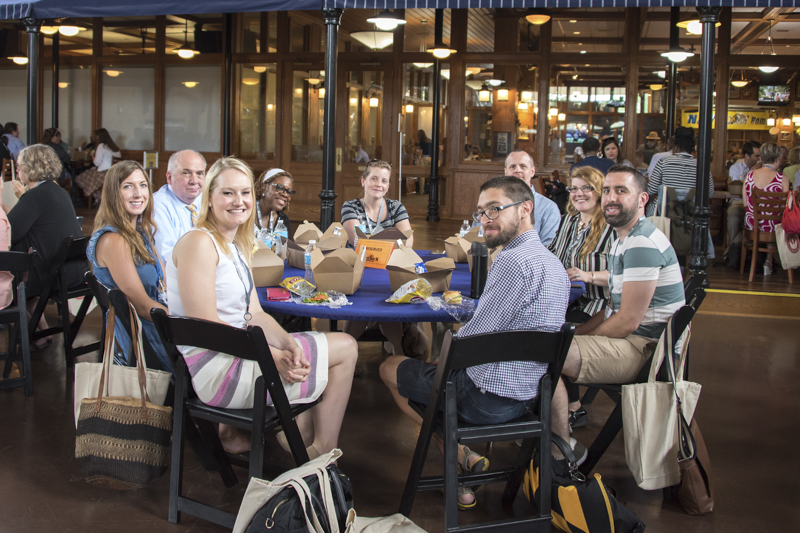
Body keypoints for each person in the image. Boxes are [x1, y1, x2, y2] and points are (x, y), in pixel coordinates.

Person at [380, 176, 570, 510]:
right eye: (482, 212)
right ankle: (463, 459)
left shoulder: (511, 261)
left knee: (389, 366)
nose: (485, 220)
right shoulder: (554, 265)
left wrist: (443, 360)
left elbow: (474, 338)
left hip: (483, 401)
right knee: (437, 364)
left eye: (495, 209)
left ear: (526, 208)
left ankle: (458, 459)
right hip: (526, 399)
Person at [168, 156, 357, 456]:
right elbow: (208, 331)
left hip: (243, 351)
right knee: (346, 347)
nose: (238, 201)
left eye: (244, 193)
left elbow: (255, 313)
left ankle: (307, 453)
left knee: (306, 417)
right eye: (227, 192)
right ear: (210, 197)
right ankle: (323, 456)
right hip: (218, 368)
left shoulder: (236, 244)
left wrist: (287, 344)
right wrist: (274, 355)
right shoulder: (199, 243)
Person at [555, 165, 684, 449]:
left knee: (542, 351)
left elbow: (627, 321)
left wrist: (582, 339)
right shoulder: (624, 238)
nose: (611, 198)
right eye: (607, 191)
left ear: (642, 200)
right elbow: (612, 307)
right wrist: (576, 334)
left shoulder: (641, 243)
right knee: (550, 342)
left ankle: (560, 448)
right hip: (635, 340)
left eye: (621, 191)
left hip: (646, 350)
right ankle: (553, 435)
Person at [548, 166, 616, 429]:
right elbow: (551, 256)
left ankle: (572, 408)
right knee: (532, 323)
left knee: (555, 335)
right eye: (574, 188)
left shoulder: (611, 226)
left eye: (586, 188)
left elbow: (622, 276)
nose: (579, 194)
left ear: (598, 191)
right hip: (564, 300)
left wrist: (588, 275)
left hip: (596, 305)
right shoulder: (568, 222)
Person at [86, 161, 171, 372]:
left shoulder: (140, 233)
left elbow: (166, 284)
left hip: (156, 322)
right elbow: (142, 306)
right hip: (142, 335)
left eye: (143, 185)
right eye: (127, 186)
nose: (138, 193)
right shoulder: (114, 240)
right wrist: (186, 322)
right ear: (114, 193)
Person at [5, 145, 83, 340]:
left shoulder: (34, 196)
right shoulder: (57, 191)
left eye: (19, 165)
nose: (18, 170)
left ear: (31, 168)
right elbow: (20, 219)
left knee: (7, 283)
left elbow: (11, 233)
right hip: (73, 270)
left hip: (52, 275)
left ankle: (28, 338)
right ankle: (40, 334)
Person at [341, 160, 413, 357]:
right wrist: (390, 243)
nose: (378, 184)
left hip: (386, 269)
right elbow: (357, 241)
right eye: (373, 178)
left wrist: (386, 246)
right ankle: (346, 355)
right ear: (363, 181)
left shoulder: (396, 207)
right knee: (363, 307)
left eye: (383, 180)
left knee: (387, 305)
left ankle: (398, 354)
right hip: (360, 271)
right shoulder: (351, 206)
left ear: (388, 186)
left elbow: (407, 239)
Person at [152, 150, 206, 265]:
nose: (194, 181)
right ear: (169, 177)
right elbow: (167, 257)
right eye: (186, 173)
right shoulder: (157, 206)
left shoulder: (208, 198)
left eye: (200, 174)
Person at [744, 142, 789, 276]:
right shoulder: (783, 178)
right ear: (778, 158)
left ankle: (754, 262)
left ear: (761, 158)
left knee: (765, 219)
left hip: (752, 225)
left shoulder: (749, 176)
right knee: (777, 221)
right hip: (773, 228)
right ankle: (768, 261)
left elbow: (746, 204)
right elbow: (784, 207)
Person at [503, 150, 561, 246]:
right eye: (513, 167)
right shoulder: (492, 205)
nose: (518, 170)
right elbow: (477, 239)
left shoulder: (549, 208)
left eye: (523, 166)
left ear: (532, 171)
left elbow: (550, 249)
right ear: (506, 172)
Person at [725, 140, 761, 267]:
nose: (759, 158)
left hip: (757, 206)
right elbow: (738, 188)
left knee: (757, 220)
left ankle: (733, 252)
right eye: (757, 156)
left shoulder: (762, 169)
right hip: (739, 203)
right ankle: (734, 256)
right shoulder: (736, 168)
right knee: (734, 217)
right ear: (747, 156)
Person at [74, 128, 121, 202]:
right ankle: (99, 198)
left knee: (80, 177)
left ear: (97, 137)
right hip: (115, 173)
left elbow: (96, 163)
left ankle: (91, 200)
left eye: (94, 136)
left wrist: (92, 156)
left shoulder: (101, 146)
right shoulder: (115, 147)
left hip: (103, 173)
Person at [255, 168, 294, 235]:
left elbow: (286, 245)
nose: (285, 194)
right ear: (264, 187)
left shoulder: (283, 219)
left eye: (289, 192)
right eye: (280, 188)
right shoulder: (245, 215)